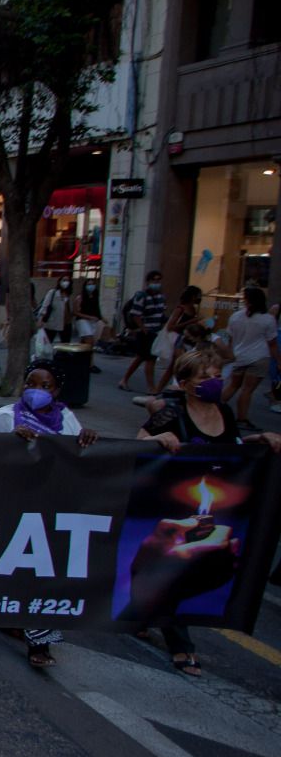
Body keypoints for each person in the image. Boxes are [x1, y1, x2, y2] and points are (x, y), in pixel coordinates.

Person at [138, 350, 281, 675]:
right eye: (205, 377)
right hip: (173, 512)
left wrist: (257, 440)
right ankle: (181, 645)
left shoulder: (225, 412)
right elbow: (140, 439)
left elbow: (232, 447)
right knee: (173, 572)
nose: (214, 383)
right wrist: (158, 438)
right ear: (185, 383)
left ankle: (144, 615)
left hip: (215, 511)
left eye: (217, 376)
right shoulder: (171, 413)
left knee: (193, 573)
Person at [0, 359, 99, 667]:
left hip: (51, 508)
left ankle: (39, 643)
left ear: (57, 390)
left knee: (42, 575)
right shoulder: (5, 418)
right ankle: (13, 621)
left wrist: (88, 440)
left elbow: (79, 459)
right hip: (13, 506)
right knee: (20, 572)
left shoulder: (68, 420)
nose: (36, 391)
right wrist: (11, 445)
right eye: (31, 383)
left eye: (45, 386)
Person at [223, 286, 278, 430]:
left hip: (240, 355)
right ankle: (242, 418)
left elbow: (230, 338)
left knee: (233, 385)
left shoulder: (235, 317)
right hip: (258, 357)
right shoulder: (267, 320)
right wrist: (279, 361)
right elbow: (272, 344)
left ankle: (213, 407)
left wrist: (230, 354)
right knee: (247, 390)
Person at [118, 270, 168, 392]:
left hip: (156, 331)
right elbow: (135, 314)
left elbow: (161, 314)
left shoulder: (161, 297)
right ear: (148, 282)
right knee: (150, 359)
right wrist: (142, 328)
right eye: (154, 280)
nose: (156, 283)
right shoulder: (141, 296)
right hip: (146, 333)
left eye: (158, 280)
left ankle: (124, 380)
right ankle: (151, 387)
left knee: (141, 357)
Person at [72, 276, 105, 369]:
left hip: (92, 322)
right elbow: (75, 312)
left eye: (93, 284)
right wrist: (89, 317)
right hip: (82, 321)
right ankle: (90, 363)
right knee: (90, 342)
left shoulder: (95, 297)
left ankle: (79, 360)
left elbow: (97, 310)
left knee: (84, 343)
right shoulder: (80, 298)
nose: (91, 286)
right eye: (89, 284)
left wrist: (101, 318)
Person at [37, 278, 72, 345]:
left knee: (65, 344)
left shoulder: (68, 294)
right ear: (59, 282)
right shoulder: (53, 292)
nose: (66, 282)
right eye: (64, 280)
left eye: (67, 280)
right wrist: (40, 319)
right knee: (47, 342)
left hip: (66, 323)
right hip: (52, 322)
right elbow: (45, 306)